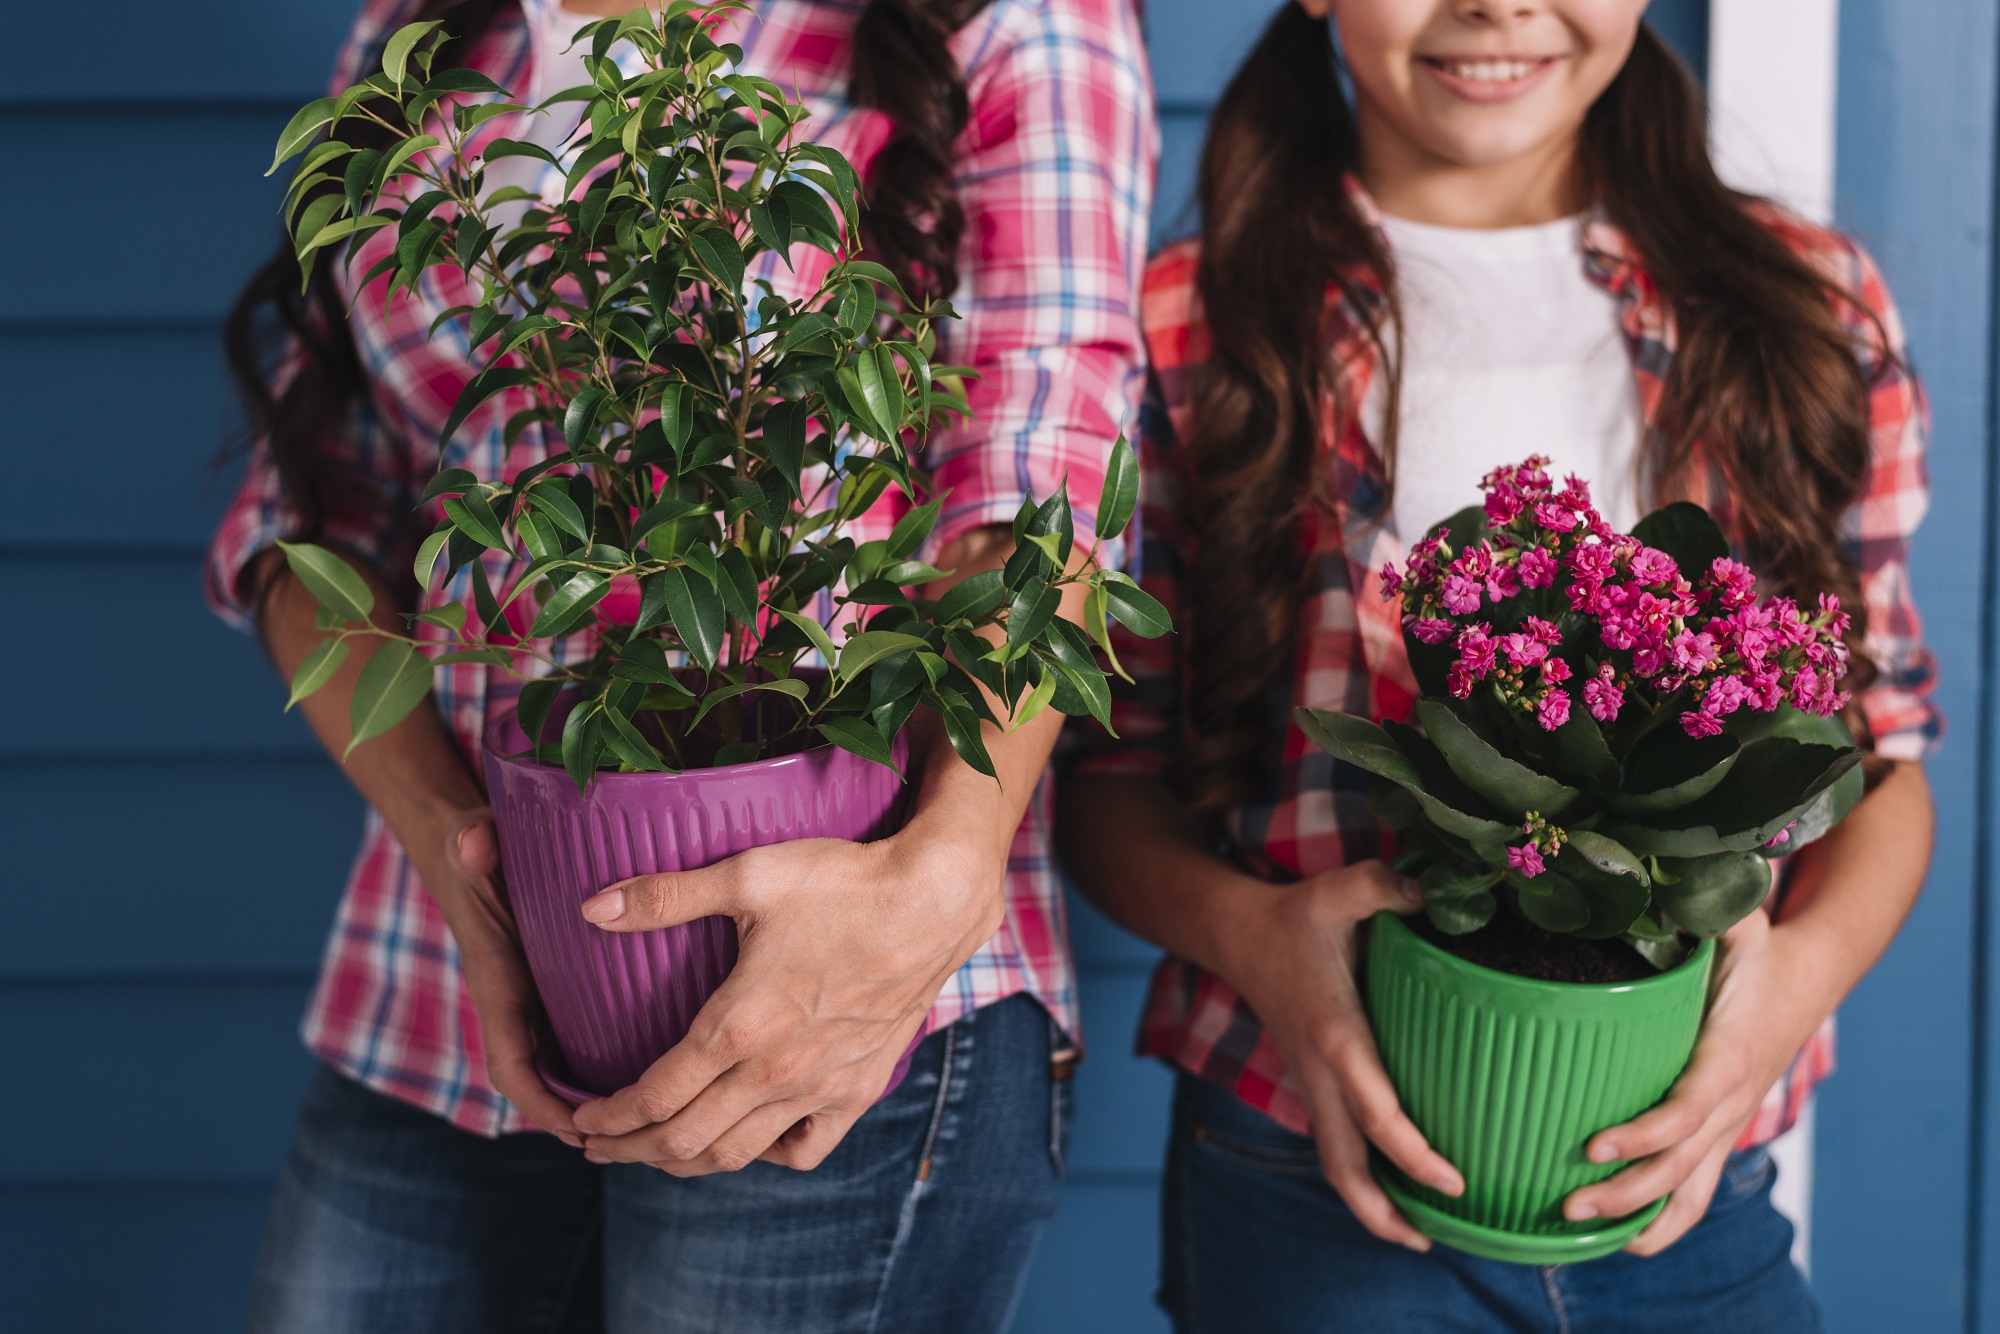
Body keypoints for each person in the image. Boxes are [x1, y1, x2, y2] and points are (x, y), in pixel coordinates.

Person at [210, 0, 1155, 1329]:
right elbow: (317, 514)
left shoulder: (1009, 16)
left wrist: (947, 859)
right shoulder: (417, 30)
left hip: (827, 982)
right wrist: (458, 855)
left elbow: (1038, 476)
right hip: (441, 981)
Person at [1057, 2, 1937, 1330]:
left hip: (1682, 1185)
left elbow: (1880, 757)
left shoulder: (1803, 311)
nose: (1496, 5)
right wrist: (1254, 936)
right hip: (1305, 1161)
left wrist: (1789, 990)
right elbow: (1102, 780)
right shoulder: (1191, 321)